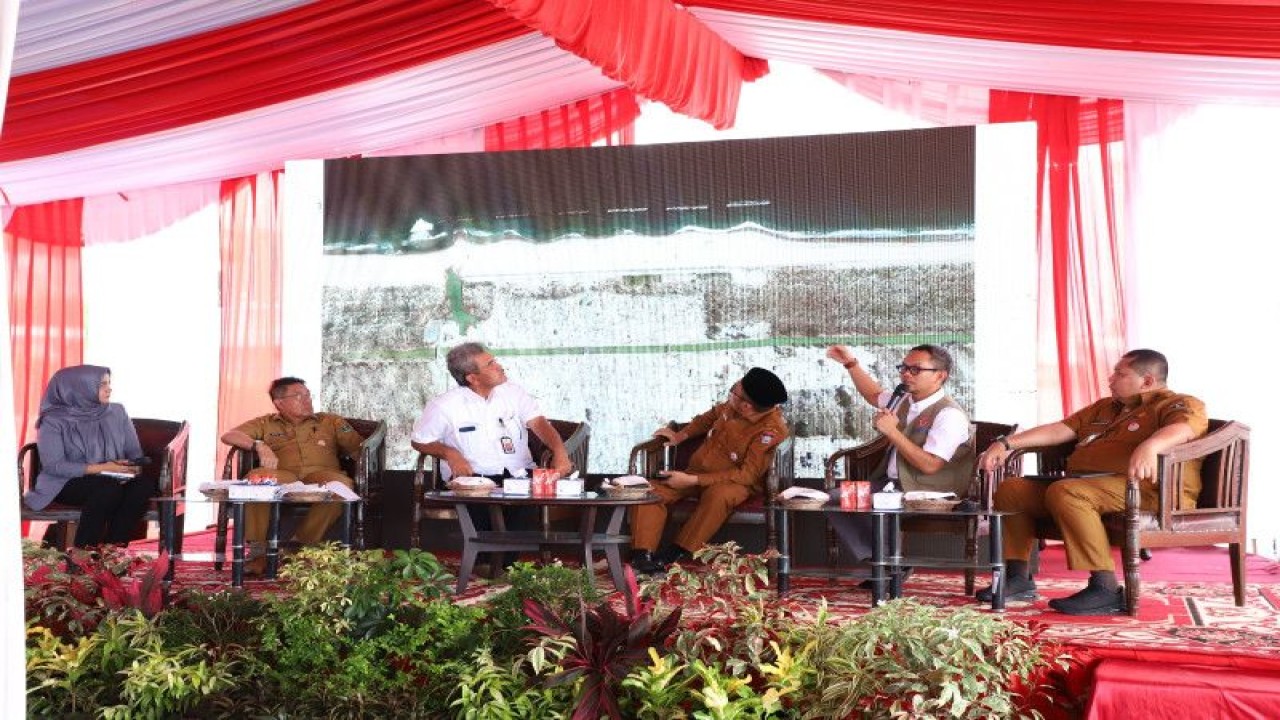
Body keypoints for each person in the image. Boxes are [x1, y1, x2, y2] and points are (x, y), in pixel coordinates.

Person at [976, 349, 1207, 615]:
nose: (1110, 378)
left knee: (1068, 492)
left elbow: (1184, 428)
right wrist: (1004, 443)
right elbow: (1059, 430)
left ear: (1147, 381)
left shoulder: (1178, 403)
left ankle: (1105, 588)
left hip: (1145, 489)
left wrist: (1152, 445)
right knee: (1012, 490)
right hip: (1090, 486)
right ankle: (1018, 577)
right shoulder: (1105, 407)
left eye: (1120, 373)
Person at [825, 344, 973, 582]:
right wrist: (851, 364)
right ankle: (883, 562)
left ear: (940, 375)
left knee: (878, 502)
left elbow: (931, 466)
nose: (906, 374)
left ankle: (889, 565)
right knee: (833, 499)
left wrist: (893, 433)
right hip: (894, 484)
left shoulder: (949, 415)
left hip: (930, 490)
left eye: (915, 370)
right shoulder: (904, 399)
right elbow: (874, 395)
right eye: (904, 367)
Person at [629, 367, 790, 575]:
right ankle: (643, 556)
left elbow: (747, 475)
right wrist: (680, 436)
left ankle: (674, 553)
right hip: (693, 474)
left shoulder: (770, 430)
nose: (730, 393)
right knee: (650, 492)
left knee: (719, 495)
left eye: (733, 391)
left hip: (735, 485)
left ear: (746, 406)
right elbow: (707, 419)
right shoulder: (732, 406)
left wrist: (693, 480)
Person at [410, 343, 572, 545]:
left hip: (518, 473)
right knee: (479, 507)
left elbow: (539, 423)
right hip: (473, 477)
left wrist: (559, 450)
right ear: (472, 378)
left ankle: (500, 565)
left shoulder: (513, 392)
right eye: (490, 364)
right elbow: (420, 440)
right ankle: (489, 564)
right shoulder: (444, 405)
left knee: (525, 499)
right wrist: (450, 454)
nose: (499, 366)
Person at [220, 377, 365, 572]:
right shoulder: (265, 423)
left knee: (341, 487)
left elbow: (360, 449)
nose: (307, 400)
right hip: (283, 474)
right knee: (255, 483)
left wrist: (364, 460)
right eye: (299, 396)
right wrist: (259, 445)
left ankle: (299, 547)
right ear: (279, 403)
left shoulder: (330, 421)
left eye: (308, 395)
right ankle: (259, 553)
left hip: (321, 474)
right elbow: (229, 436)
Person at [24, 365, 154, 548]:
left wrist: (131, 466)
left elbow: (135, 453)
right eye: (102, 384)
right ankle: (83, 555)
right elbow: (54, 466)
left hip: (112, 477)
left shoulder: (117, 411)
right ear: (79, 388)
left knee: (143, 486)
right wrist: (104, 468)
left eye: (109, 383)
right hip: (66, 482)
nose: (109, 389)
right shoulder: (53, 420)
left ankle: (112, 552)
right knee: (107, 489)